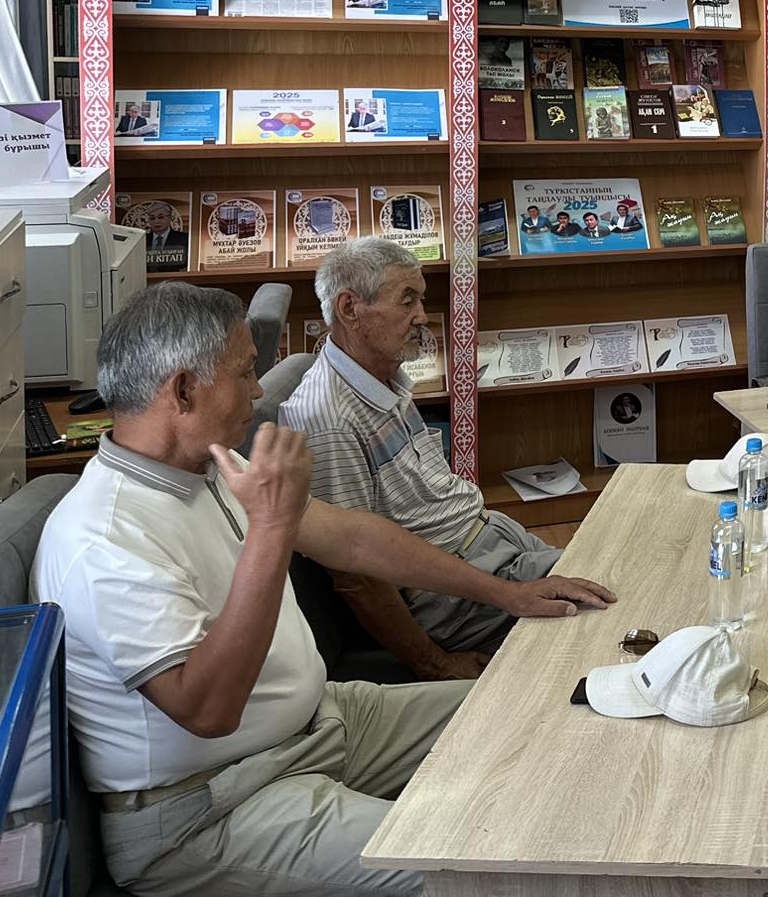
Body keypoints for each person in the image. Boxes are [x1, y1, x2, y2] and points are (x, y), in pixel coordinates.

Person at [33, 283, 614, 897]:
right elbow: (208, 711)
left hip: (321, 723)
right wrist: (272, 528)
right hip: (214, 805)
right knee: (494, 866)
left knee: (553, 710)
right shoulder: (103, 539)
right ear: (182, 391)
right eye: (244, 373)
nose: (258, 393)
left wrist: (505, 594)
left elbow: (355, 540)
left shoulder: (205, 466)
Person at [280, 237, 585, 676]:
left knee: (609, 570)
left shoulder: (383, 373)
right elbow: (357, 576)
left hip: (491, 539)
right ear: (349, 309)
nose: (422, 316)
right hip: (455, 593)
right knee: (614, 600)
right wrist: (434, 663)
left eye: (421, 299)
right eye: (407, 300)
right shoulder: (326, 418)